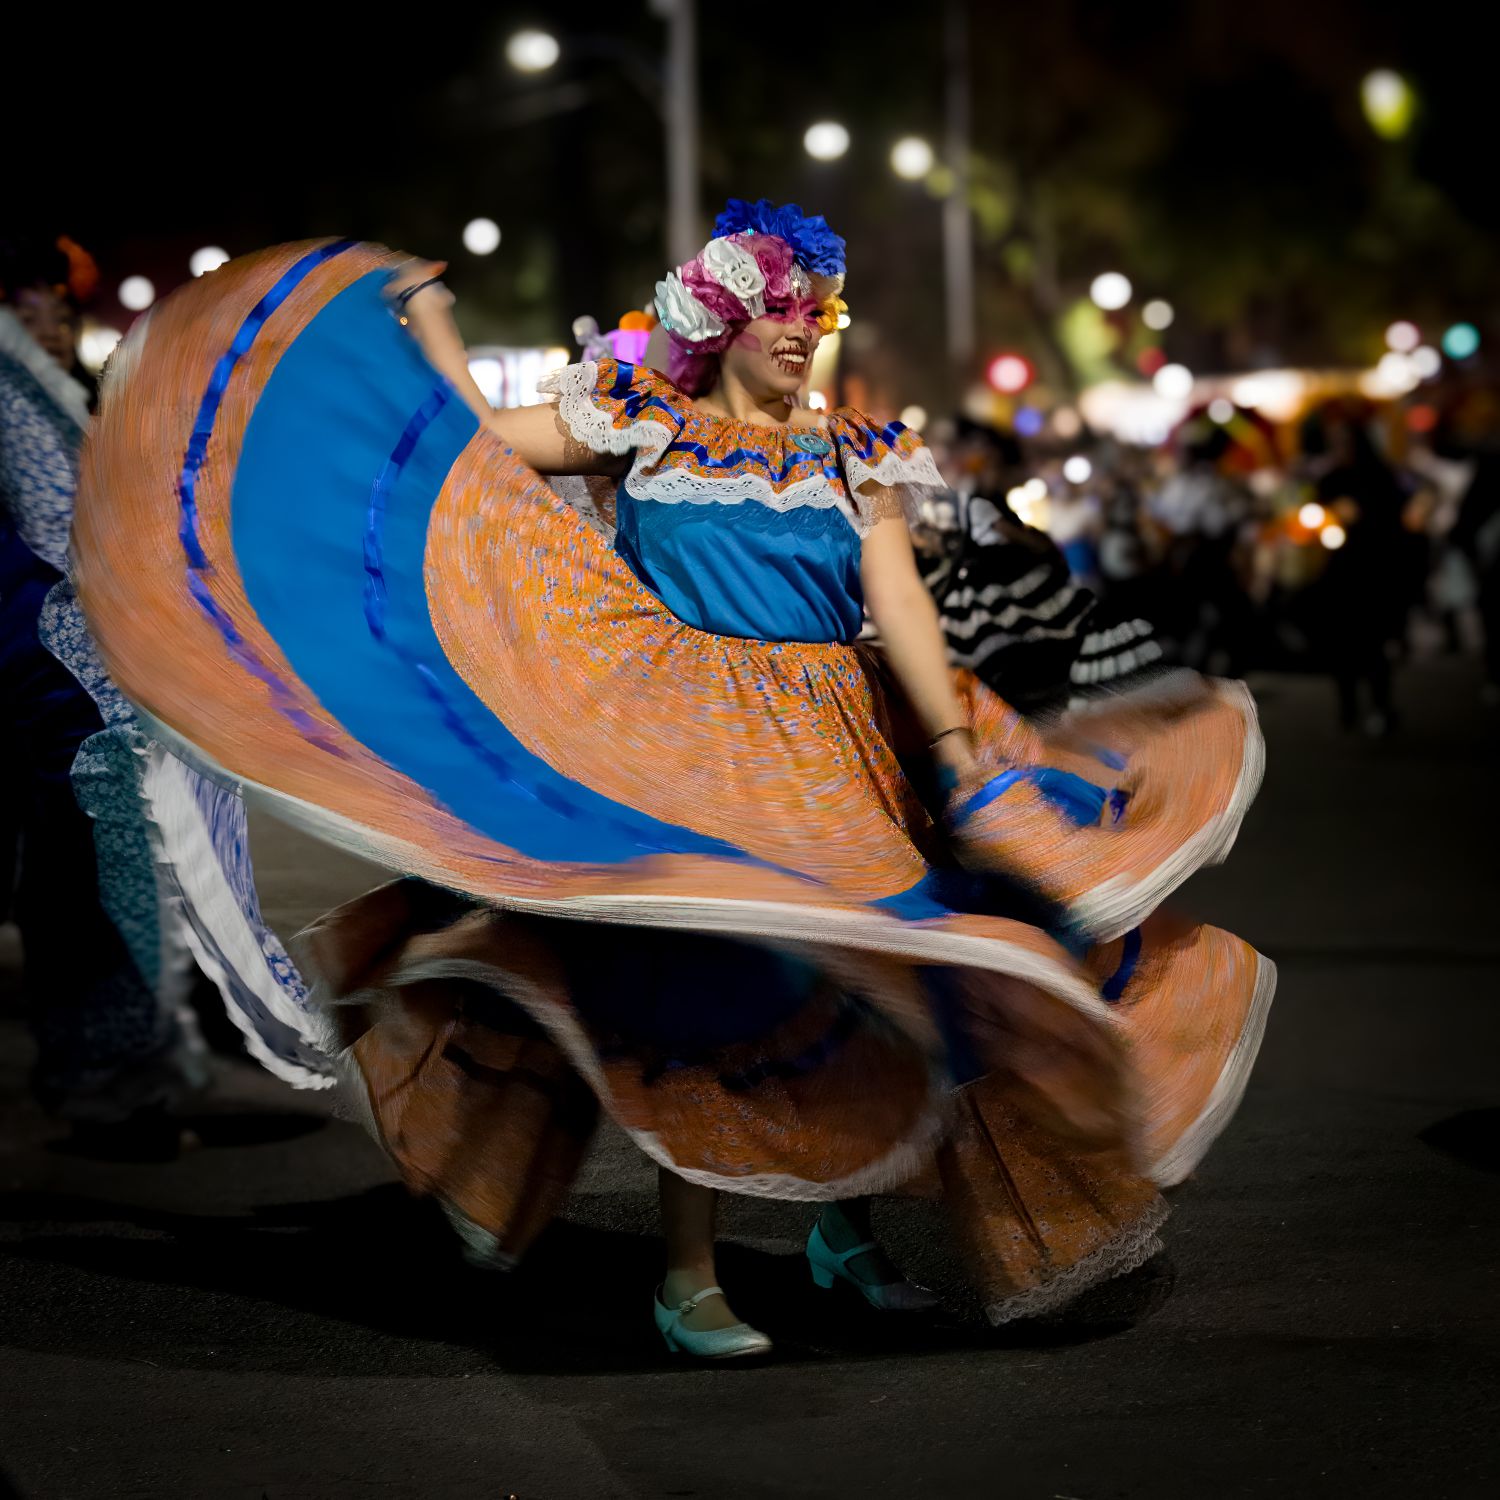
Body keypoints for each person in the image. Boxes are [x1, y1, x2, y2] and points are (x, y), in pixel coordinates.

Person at [74, 205, 1273, 1359]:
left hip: (839, 752)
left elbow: (895, 593)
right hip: (685, 747)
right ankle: (688, 1273)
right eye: (781, 312)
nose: (804, 331)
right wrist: (434, 328)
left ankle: (842, 1239)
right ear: (721, 324)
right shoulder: (642, 422)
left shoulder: (854, 451)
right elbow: (472, 458)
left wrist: (958, 750)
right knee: (709, 992)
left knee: (895, 978)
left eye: (817, 311)